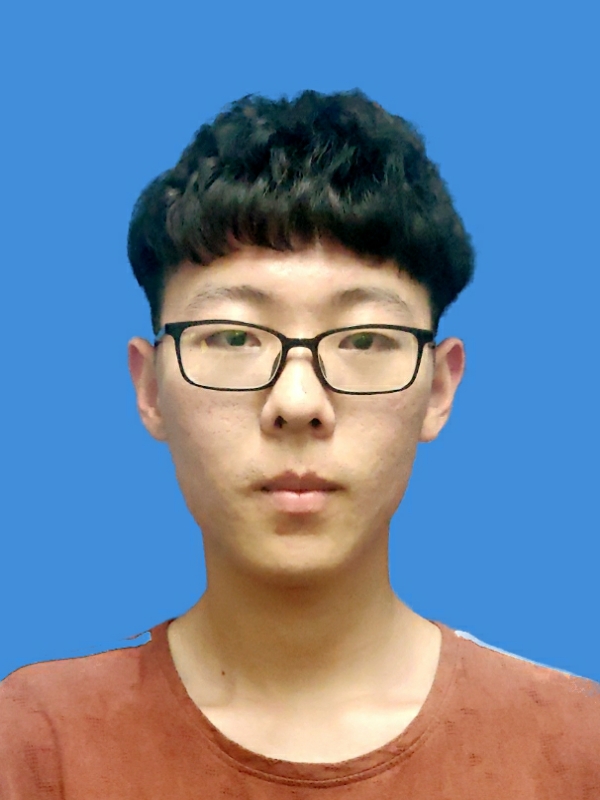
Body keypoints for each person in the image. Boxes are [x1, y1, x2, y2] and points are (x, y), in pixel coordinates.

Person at [1, 89, 598, 799]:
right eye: (233, 337)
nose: (297, 403)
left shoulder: (573, 747)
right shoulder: (35, 744)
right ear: (150, 388)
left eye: (365, 340)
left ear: (439, 388)